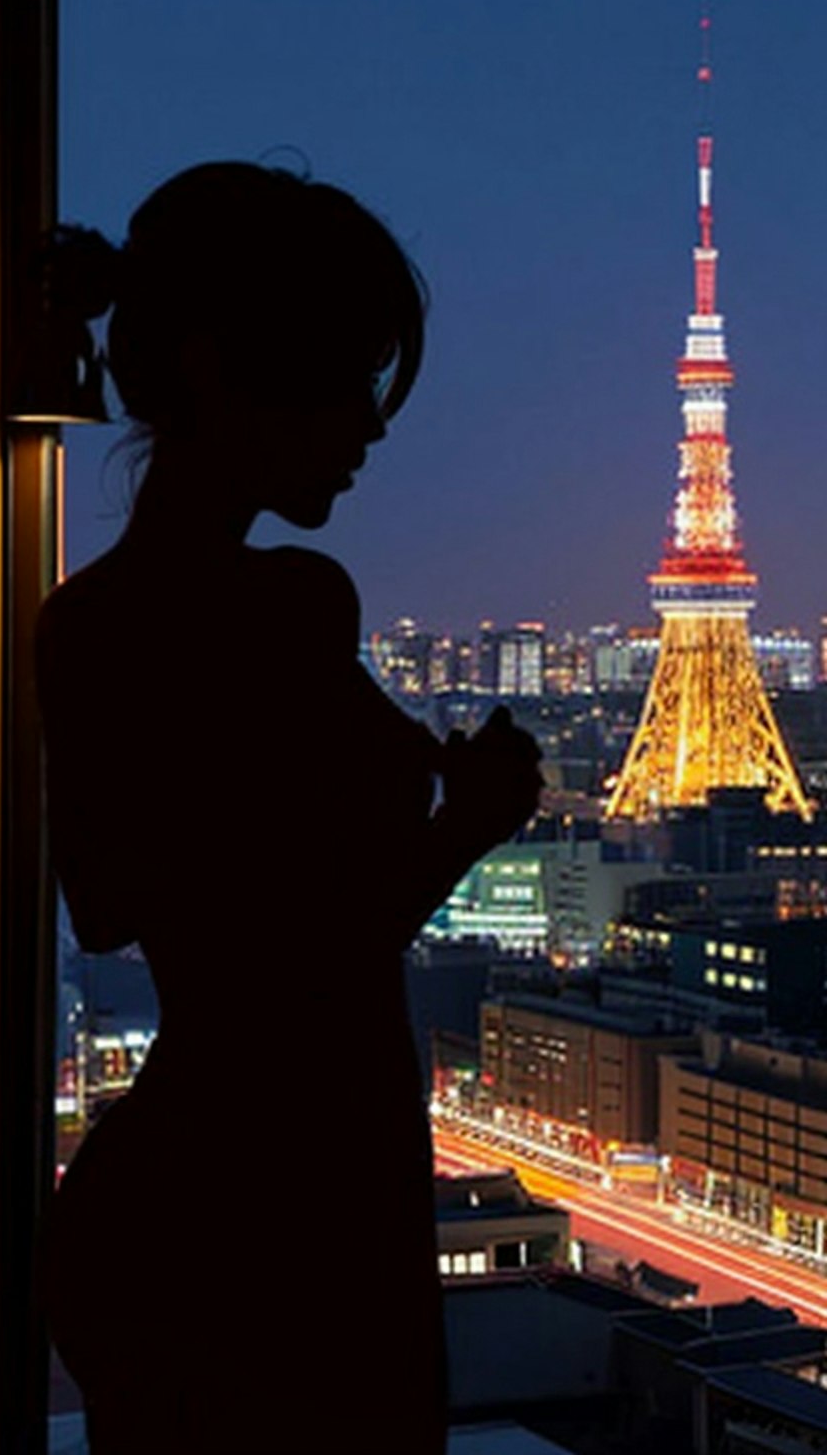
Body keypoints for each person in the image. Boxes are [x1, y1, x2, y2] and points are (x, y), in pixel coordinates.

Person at [35, 162, 543, 1455]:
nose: (371, 425)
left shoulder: (85, 629)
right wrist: (467, 825)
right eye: (347, 377)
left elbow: (109, 913)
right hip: (293, 1203)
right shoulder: (291, 608)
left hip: (183, 1194)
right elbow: (304, 961)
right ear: (219, 371)